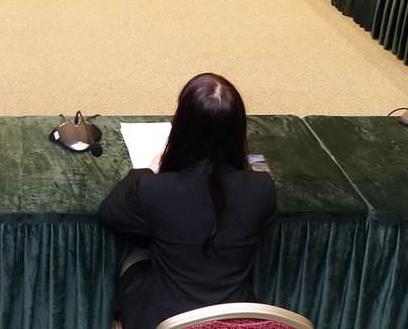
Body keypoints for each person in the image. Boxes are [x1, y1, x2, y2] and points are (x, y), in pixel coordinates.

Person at [98, 73, 277, 329]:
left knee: (135, 255)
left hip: (164, 320)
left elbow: (109, 212)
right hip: (235, 319)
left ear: (182, 126)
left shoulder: (153, 188)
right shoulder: (263, 188)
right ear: (238, 128)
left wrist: (147, 170)